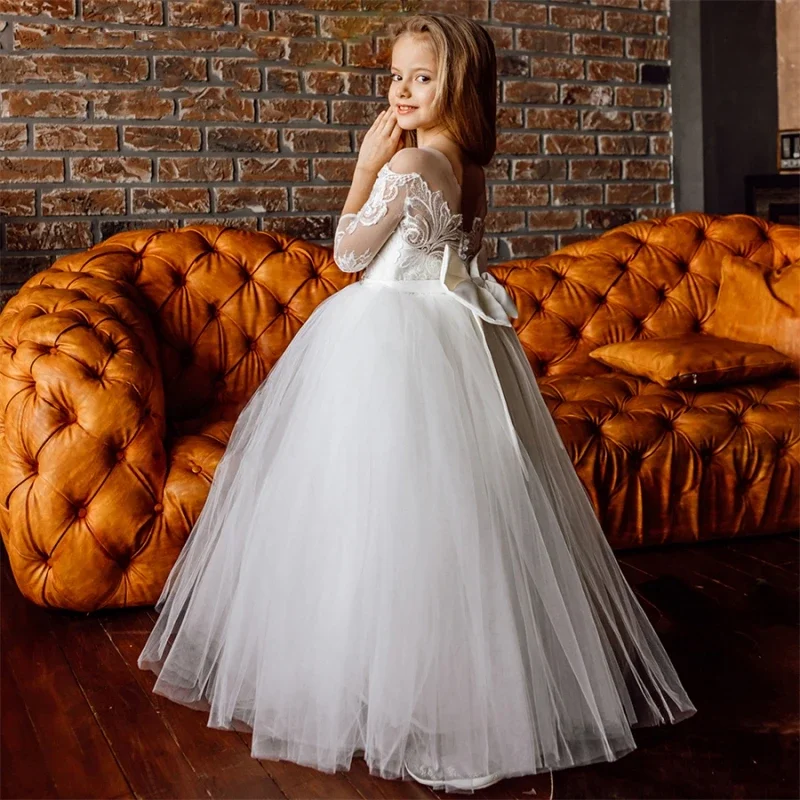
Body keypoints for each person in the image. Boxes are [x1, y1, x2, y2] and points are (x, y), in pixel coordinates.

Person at [137, 12, 697, 796]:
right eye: (396, 75)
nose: (401, 90)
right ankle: (471, 679)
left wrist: (366, 166)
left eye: (421, 78)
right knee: (461, 522)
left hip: (393, 333)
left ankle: (378, 686)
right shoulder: (467, 166)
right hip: (460, 341)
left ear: (457, 86)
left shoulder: (407, 169)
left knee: (373, 519)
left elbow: (348, 253)